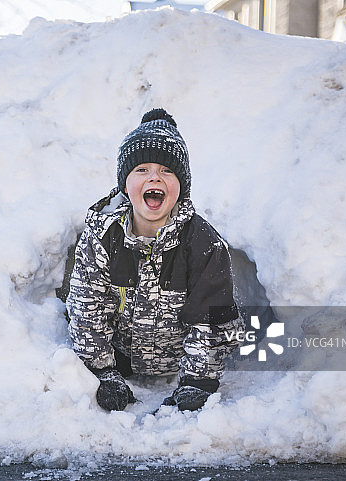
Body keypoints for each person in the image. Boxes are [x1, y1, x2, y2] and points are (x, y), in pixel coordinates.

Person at [66, 108, 244, 412]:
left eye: (166, 170)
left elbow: (213, 319)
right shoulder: (102, 238)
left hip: (179, 360)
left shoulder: (203, 244)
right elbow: (86, 310)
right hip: (120, 356)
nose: (154, 177)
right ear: (125, 185)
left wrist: (198, 381)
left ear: (181, 187)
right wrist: (103, 370)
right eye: (141, 169)